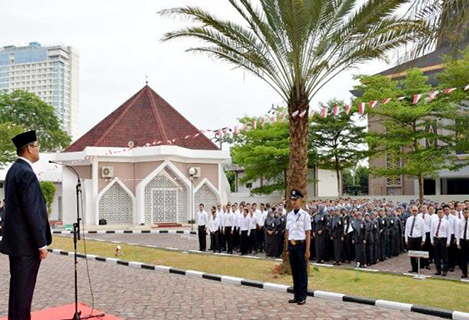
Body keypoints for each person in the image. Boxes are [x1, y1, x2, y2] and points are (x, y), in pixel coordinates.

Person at [0, 130, 52, 320]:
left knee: (18, 292)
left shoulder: (13, 170)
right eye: (37, 146)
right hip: (27, 245)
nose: (38, 150)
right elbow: (32, 212)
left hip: (16, 243)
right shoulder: (26, 173)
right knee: (24, 293)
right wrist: (41, 243)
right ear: (29, 148)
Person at [286, 189, 311, 305]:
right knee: (295, 271)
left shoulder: (305, 215)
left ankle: (303, 296)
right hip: (291, 245)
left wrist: (307, 249)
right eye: (292, 200)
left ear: (301, 201)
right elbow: (287, 232)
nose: (294, 202)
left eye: (296, 200)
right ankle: (296, 295)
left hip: (301, 245)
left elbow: (308, 233)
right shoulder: (289, 215)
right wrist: (287, 247)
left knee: (302, 271)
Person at [405, 205, 426, 273]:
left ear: (418, 211)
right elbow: (407, 229)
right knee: (411, 254)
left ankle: (418, 268)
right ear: (411, 211)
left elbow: (423, 230)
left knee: (418, 254)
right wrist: (406, 238)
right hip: (411, 238)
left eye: (416, 211)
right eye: (413, 211)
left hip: (418, 239)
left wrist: (423, 240)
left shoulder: (421, 220)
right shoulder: (409, 219)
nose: (414, 212)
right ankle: (413, 268)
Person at [431, 208, 451, 276]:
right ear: (437, 213)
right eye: (439, 212)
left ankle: (445, 270)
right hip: (436, 238)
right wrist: (432, 240)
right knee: (437, 256)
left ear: (443, 213)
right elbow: (432, 231)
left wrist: (448, 241)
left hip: (443, 239)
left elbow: (448, 233)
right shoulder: (434, 221)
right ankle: (438, 270)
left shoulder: (446, 222)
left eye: (441, 212)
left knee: (444, 256)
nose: (440, 214)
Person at [456, 208, 469, 278]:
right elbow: (458, 232)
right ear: (463, 213)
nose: (466, 214)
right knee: (463, 258)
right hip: (462, 240)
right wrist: (458, 243)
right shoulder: (460, 222)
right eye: (465, 212)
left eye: (467, 212)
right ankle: (464, 273)